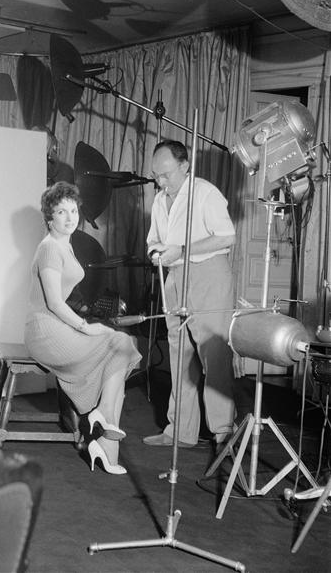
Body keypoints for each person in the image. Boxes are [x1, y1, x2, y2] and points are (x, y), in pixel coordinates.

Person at [24, 182, 142, 475]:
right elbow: (54, 302)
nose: (70, 217)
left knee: (121, 348)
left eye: (73, 211)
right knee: (120, 346)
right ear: (49, 217)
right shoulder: (50, 248)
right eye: (61, 212)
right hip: (44, 331)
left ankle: (106, 438)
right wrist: (85, 328)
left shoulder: (65, 245)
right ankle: (105, 430)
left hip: (57, 327)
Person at [144, 139, 236, 448]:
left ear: (185, 166)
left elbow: (227, 237)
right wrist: (155, 253)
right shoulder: (160, 200)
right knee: (180, 355)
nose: (161, 181)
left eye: (166, 174)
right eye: (156, 175)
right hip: (174, 277)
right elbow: (154, 239)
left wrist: (182, 250)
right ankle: (180, 432)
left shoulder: (205, 193)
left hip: (208, 274)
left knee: (214, 355)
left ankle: (223, 431)